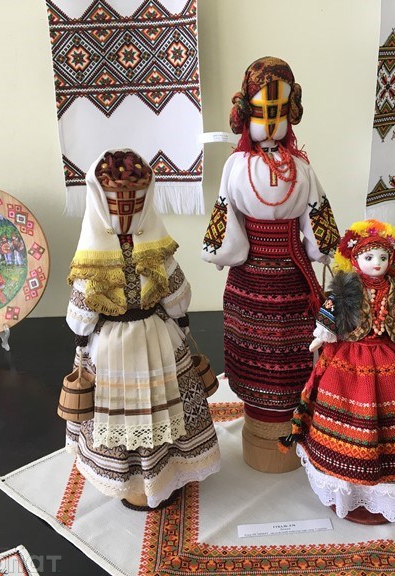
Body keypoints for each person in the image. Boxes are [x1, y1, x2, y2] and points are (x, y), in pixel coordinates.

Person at [201, 56, 340, 473]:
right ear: (248, 115)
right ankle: (263, 423)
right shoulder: (238, 165)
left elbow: (316, 219)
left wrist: (325, 250)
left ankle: (294, 424)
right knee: (252, 343)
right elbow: (227, 213)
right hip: (256, 276)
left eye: (278, 113)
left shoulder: (300, 168)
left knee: (294, 346)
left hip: (290, 276)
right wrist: (225, 250)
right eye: (264, 113)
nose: (271, 123)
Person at [65, 148, 220, 510]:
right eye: (117, 203)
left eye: (132, 203)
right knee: (142, 411)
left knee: (154, 409)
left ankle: (157, 476)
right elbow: (177, 299)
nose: (125, 211)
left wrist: (83, 335)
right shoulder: (112, 252)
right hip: (138, 342)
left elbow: (81, 317)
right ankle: (143, 479)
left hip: (133, 342)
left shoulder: (125, 250)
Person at [281, 219, 395, 524]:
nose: (377, 263)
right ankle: (348, 487)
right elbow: (331, 312)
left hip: (389, 358)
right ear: (355, 259)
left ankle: (388, 488)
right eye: (369, 257)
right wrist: (322, 334)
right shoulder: (348, 289)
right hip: (350, 359)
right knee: (345, 418)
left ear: (391, 259)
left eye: (383, 257)